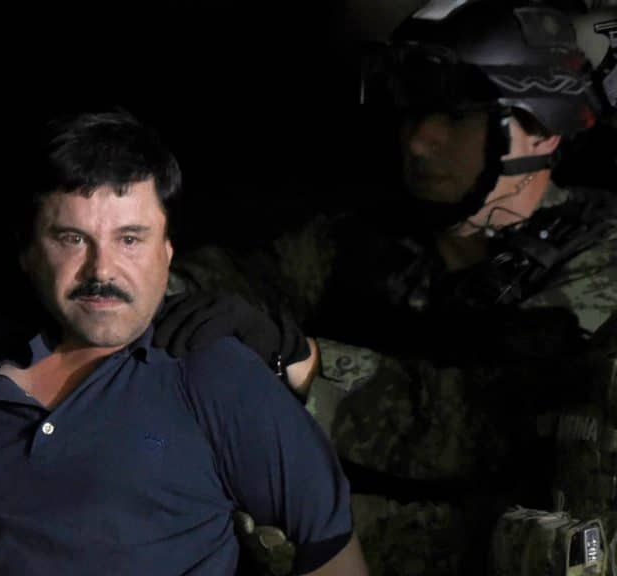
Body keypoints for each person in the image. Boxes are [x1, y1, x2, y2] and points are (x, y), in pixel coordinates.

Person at [173, 1, 615, 573]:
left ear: (543, 131)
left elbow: (484, 428)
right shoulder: (374, 236)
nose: (419, 141)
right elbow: (246, 277)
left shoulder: (598, 261)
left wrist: (304, 363)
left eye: (456, 116)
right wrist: (142, 288)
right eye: (412, 113)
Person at [0, 110, 365, 575]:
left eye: (130, 239)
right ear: (29, 251)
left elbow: (334, 559)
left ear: (167, 249)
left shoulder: (215, 376)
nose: (102, 270)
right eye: (73, 238)